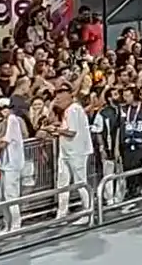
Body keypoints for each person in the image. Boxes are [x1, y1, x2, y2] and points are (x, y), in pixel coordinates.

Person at [51, 86, 92, 220]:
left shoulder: (73, 109)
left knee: (80, 183)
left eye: (59, 99)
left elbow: (72, 132)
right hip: (66, 152)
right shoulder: (68, 111)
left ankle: (88, 213)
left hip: (77, 152)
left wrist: (56, 130)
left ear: (68, 97)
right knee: (62, 183)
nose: (57, 101)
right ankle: (62, 213)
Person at [118, 87, 142, 200]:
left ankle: (137, 189)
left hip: (140, 144)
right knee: (127, 169)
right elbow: (118, 128)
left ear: (134, 95)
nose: (125, 98)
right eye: (124, 96)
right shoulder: (123, 109)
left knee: (136, 167)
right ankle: (136, 189)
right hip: (126, 144)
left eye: (128, 95)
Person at [0, 98, 25, 230]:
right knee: (2, 196)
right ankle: (7, 224)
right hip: (5, 164)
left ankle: (15, 225)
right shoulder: (5, 121)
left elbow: (5, 141)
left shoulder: (12, 120)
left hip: (12, 164)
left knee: (11, 195)